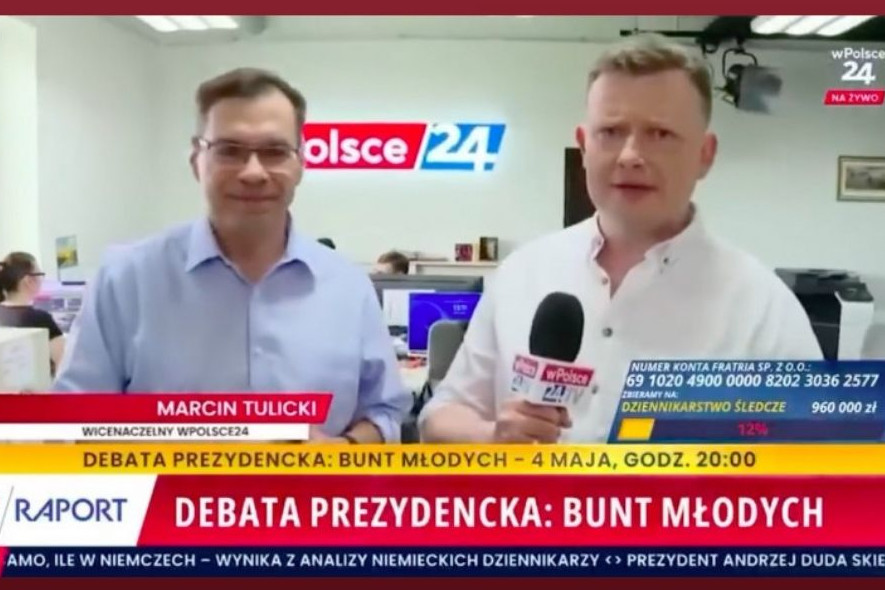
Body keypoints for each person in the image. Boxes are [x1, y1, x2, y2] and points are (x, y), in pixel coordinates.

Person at [419, 34, 823, 444]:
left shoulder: (763, 309)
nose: (630, 155)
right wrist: (490, 435)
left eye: (660, 134)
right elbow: (441, 416)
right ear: (583, 146)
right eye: (611, 132)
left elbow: (816, 461)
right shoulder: (521, 274)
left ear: (705, 154)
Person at [54, 67, 411, 444]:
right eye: (229, 150)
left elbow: (385, 412)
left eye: (275, 151)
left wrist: (341, 449)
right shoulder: (124, 280)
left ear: (300, 164)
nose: (254, 172)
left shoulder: (349, 288)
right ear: (196, 161)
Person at [0, 252, 66, 373]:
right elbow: (63, 365)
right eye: (40, 275)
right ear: (29, 281)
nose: (42, 280)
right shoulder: (41, 319)